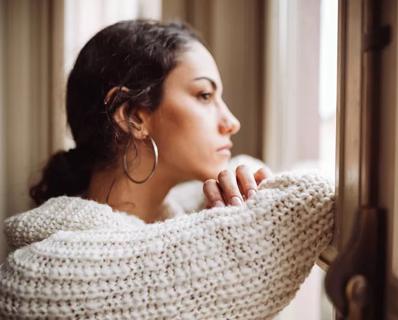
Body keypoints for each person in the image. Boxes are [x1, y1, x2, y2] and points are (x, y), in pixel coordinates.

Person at [0, 20, 334, 319]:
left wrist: (245, 177)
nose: (231, 122)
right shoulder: (43, 275)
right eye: (204, 95)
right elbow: (310, 199)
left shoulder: (181, 220)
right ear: (134, 116)